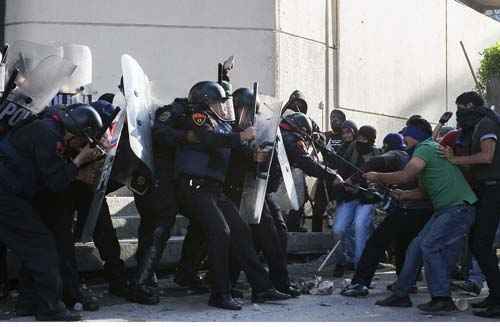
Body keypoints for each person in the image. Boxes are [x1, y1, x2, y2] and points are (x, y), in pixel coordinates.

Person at [168, 81, 291, 310]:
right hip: (194, 186)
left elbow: (231, 145)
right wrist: (241, 138)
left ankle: (262, 288)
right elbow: (208, 139)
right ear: (206, 102)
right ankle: (219, 293)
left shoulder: (224, 124)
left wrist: (253, 155)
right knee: (220, 231)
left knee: (241, 230)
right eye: (218, 102)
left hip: (214, 189)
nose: (224, 107)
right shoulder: (199, 117)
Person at [0, 103, 102, 321]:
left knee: (32, 248)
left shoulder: (46, 128)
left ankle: (28, 303)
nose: (81, 146)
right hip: (6, 195)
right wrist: (78, 161)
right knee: (42, 246)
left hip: (11, 194)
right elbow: (56, 181)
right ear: (76, 134)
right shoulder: (48, 135)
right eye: (83, 141)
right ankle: (50, 309)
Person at [365, 116, 477, 314]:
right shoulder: (428, 150)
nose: (404, 140)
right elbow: (424, 192)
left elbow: (406, 175)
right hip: (447, 209)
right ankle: (401, 294)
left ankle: (442, 298)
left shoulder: (425, 147)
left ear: (415, 136)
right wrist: (405, 194)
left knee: (429, 246)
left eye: (406, 136)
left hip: (458, 208)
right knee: (417, 247)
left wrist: (378, 176)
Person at [225, 87, 300, 298]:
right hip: (233, 192)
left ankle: (280, 284)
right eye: (245, 110)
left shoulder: (253, 128)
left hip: (253, 191)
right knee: (239, 241)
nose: (248, 116)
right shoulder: (227, 128)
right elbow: (228, 156)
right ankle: (236, 285)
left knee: (270, 238)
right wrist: (251, 155)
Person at [341, 132, 432, 297]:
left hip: (407, 207)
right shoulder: (420, 155)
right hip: (420, 208)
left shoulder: (398, 153)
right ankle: (406, 283)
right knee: (404, 246)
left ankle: (360, 283)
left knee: (376, 243)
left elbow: (376, 162)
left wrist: (356, 178)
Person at [441, 91, 500, 318]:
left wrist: (455, 160)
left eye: (460, 108)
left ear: (469, 105)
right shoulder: (480, 124)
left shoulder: (485, 124)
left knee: (481, 244)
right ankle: (495, 296)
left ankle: (498, 298)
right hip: (487, 189)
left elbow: (487, 156)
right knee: (479, 244)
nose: (458, 113)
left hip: (494, 188)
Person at [328, 125, 380, 277]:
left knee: (359, 228)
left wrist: (364, 186)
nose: (361, 141)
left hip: (366, 199)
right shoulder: (350, 150)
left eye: (365, 139)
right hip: (348, 197)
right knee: (338, 230)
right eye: (360, 137)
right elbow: (340, 173)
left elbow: (378, 181)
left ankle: (360, 267)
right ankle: (342, 261)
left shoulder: (377, 155)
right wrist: (342, 189)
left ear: (371, 140)